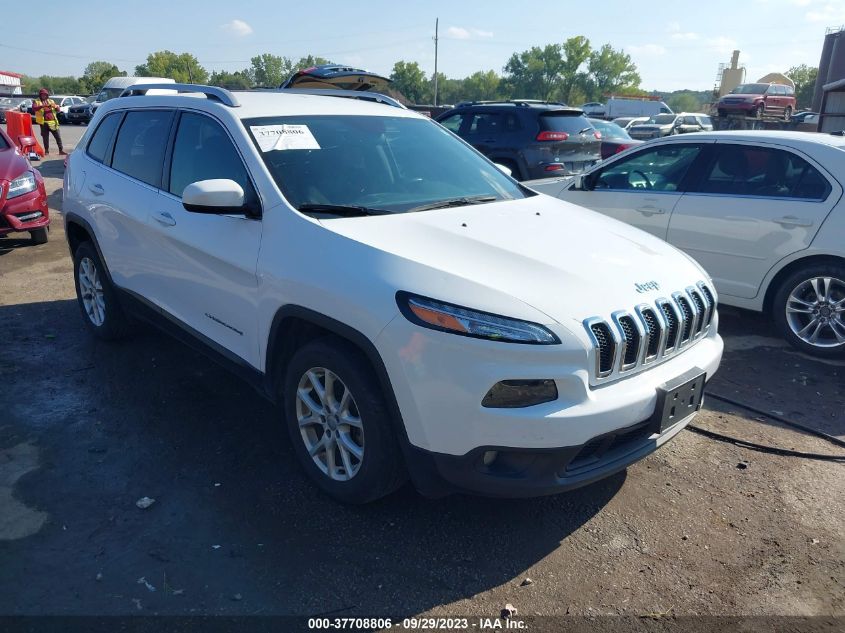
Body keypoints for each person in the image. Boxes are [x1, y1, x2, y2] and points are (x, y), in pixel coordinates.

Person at [32, 88, 65, 155]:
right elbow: (34, 108)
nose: (43, 96)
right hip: (43, 123)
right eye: (42, 95)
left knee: (58, 137)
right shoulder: (36, 101)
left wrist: (55, 106)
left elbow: (58, 110)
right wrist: (42, 106)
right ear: (40, 95)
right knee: (45, 138)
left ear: (47, 95)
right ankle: (46, 151)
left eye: (45, 95)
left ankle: (61, 150)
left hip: (53, 122)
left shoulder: (51, 101)